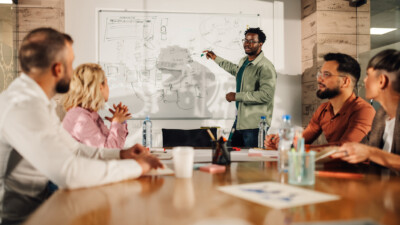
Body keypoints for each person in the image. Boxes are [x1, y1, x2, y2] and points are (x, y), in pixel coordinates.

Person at [0, 28, 162, 223]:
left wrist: (121, 154)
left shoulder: (39, 103)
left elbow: (75, 150)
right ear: (58, 69)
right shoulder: (23, 107)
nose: (73, 71)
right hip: (23, 219)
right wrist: (137, 167)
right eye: (71, 63)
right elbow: (69, 173)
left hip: (42, 209)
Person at [265, 53, 376, 149]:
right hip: (333, 169)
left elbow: (346, 148)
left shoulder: (363, 110)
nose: (319, 79)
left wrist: (294, 146)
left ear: (345, 82)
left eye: (326, 74)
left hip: (360, 172)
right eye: (319, 74)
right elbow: (303, 139)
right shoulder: (323, 110)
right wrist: (280, 141)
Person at [203, 27, 277, 147]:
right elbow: (234, 69)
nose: (247, 44)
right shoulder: (244, 61)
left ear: (260, 44)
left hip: (256, 125)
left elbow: (266, 95)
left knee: (252, 163)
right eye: (246, 40)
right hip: (240, 122)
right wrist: (215, 58)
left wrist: (237, 96)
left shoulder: (265, 67)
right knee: (230, 154)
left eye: (252, 41)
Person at [332, 49, 400, 172]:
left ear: (382, 81)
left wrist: (371, 153)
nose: (364, 80)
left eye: (368, 75)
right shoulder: (381, 115)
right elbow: (363, 148)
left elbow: (368, 151)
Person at [62, 63, 130, 149]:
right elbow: (107, 152)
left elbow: (115, 149)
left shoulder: (89, 114)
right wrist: (116, 122)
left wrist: (120, 122)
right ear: (100, 87)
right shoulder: (79, 118)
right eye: (106, 83)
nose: (108, 88)